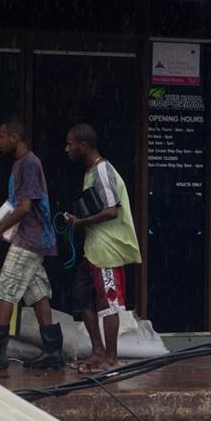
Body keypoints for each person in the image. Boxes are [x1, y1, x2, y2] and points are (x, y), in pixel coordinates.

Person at [0, 120, 62, 371]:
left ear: (14, 137)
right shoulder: (23, 163)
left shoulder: (27, 164)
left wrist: (2, 227)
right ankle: (53, 351)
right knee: (37, 291)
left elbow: (25, 207)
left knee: (6, 288)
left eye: (1, 137)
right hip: (35, 238)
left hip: (30, 237)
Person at [60, 123, 142, 374]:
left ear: (83, 145)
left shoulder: (102, 170)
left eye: (70, 143)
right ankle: (98, 351)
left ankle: (111, 359)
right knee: (82, 299)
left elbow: (111, 210)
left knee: (109, 304)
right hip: (92, 249)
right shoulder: (90, 172)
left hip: (106, 250)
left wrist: (79, 222)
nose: (67, 149)